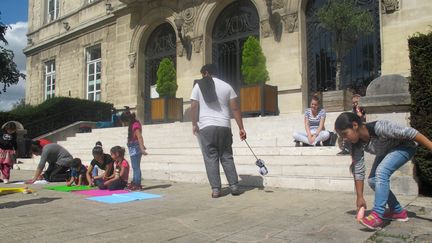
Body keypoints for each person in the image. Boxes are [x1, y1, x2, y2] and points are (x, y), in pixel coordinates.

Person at [334, 112, 432, 230]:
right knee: (373, 180)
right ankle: (397, 212)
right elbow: (358, 169)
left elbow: (412, 133)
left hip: (405, 147)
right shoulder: (355, 144)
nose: (345, 138)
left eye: (345, 134)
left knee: (381, 172)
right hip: (386, 151)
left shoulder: (379, 127)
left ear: (355, 125)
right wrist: (360, 197)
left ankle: (377, 215)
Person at [190, 64, 247, 198]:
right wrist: (241, 128)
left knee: (211, 158)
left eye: (202, 74)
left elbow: (193, 106)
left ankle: (216, 189)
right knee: (227, 156)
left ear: (206, 73)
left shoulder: (198, 86)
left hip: (207, 127)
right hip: (224, 126)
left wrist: (194, 124)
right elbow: (235, 109)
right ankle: (234, 186)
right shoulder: (227, 86)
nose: (202, 77)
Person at [120, 107, 147, 191]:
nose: (125, 124)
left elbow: (139, 137)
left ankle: (137, 184)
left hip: (135, 147)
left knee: (136, 167)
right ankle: (135, 182)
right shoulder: (132, 124)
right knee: (134, 166)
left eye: (125, 122)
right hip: (132, 147)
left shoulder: (135, 125)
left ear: (128, 120)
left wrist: (142, 148)